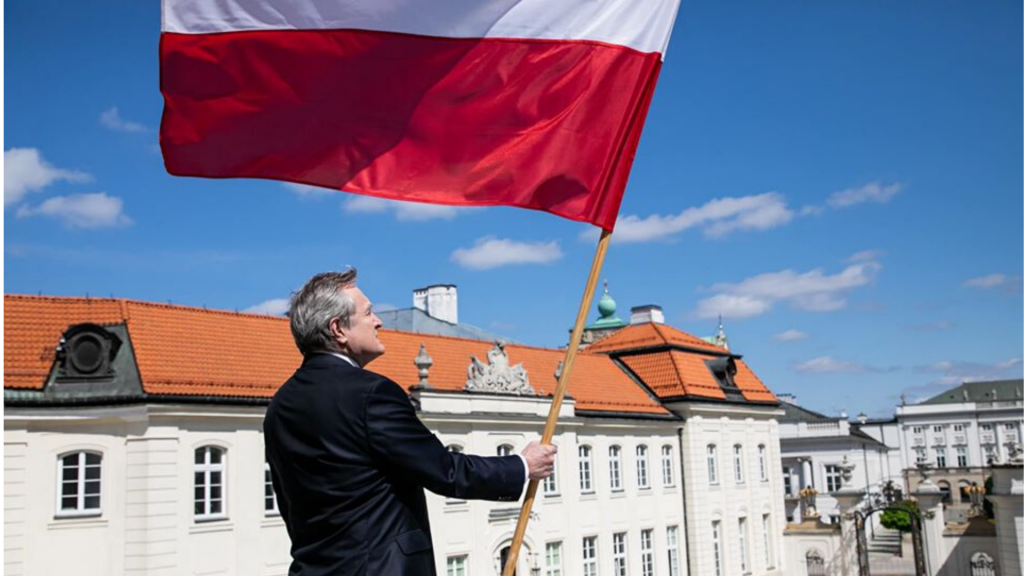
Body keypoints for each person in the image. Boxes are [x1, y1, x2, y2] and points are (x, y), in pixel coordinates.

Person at [264, 269, 557, 576]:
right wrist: (522, 466)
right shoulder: (371, 393)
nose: (378, 321)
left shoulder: (280, 406)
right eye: (368, 313)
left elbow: (290, 506)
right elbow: (445, 471)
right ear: (338, 329)